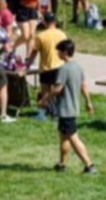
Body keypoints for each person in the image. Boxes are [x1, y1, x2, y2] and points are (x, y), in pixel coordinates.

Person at [38, 39, 96, 174]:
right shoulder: (78, 67)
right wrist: (88, 102)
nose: (57, 53)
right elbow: (84, 86)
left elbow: (58, 89)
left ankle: (89, 165)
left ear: (64, 52)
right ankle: (62, 165)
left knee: (73, 138)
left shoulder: (64, 69)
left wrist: (44, 99)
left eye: (58, 51)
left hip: (66, 109)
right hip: (74, 107)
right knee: (64, 136)